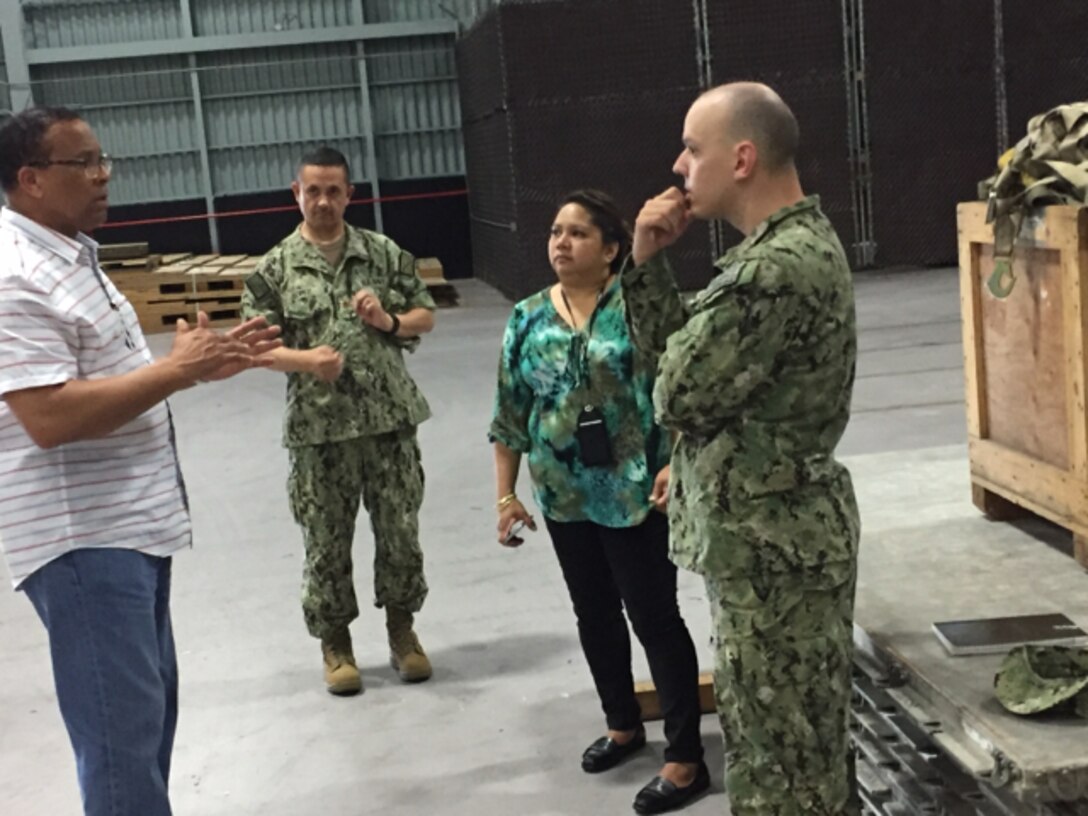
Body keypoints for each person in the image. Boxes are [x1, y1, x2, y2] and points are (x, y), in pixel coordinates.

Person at [0, 106, 282, 816]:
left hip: (128, 532)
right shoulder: (16, 274)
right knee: (121, 752)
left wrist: (194, 366)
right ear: (30, 180)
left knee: (143, 732)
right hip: (84, 541)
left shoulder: (69, 254)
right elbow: (49, 416)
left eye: (103, 160)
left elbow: (97, 383)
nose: (104, 176)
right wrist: (176, 373)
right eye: (83, 163)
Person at [623, 83, 861, 816]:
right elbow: (685, 364)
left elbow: (677, 393)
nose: (679, 165)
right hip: (771, 547)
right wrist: (648, 261)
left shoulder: (772, 273)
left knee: (784, 770)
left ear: (744, 158)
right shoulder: (780, 254)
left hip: (774, 556)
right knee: (786, 745)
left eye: (694, 149)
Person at [490, 189, 710, 815]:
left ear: (611, 249)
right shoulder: (528, 316)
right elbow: (510, 413)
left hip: (637, 492)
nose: (561, 243)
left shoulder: (636, 302)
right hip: (564, 496)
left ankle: (685, 756)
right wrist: (505, 494)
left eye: (578, 233)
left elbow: (676, 382)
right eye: (556, 231)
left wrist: (675, 458)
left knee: (654, 617)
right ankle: (622, 723)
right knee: (594, 614)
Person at [240, 146, 436, 696]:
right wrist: (307, 362)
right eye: (313, 191)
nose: (323, 201)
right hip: (318, 431)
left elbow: (425, 313)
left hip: (389, 421)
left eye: (334, 191)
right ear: (296, 194)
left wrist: (389, 320)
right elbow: (253, 348)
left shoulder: (382, 253)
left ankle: (403, 632)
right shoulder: (273, 269)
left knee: (399, 533)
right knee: (325, 541)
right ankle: (336, 644)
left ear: (350, 194)